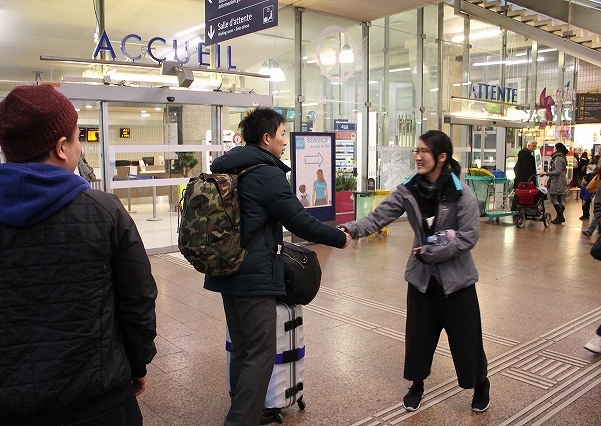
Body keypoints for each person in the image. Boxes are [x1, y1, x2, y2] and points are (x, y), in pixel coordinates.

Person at [0, 85, 157, 426]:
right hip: (98, 403)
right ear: (62, 147)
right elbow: (138, 300)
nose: (80, 146)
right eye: (78, 138)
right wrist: (137, 363)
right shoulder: (105, 211)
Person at [204, 107, 348, 426]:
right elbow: (299, 220)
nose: (285, 141)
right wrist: (338, 237)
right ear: (267, 138)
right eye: (282, 133)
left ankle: (244, 410)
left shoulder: (228, 168)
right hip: (253, 277)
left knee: (242, 347)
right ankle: (240, 420)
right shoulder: (266, 174)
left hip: (225, 268)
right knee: (261, 351)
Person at [339, 130, 489, 413]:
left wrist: (433, 252)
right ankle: (417, 386)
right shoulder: (409, 190)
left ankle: (480, 384)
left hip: (457, 283)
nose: (418, 156)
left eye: (425, 151)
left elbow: (469, 236)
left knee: (467, 341)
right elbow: (378, 216)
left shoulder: (461, 194)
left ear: (442, 157)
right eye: (416, 151)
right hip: (422, 281)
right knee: (419, 338)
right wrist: (349, 230)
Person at [540, 143, 569, 224]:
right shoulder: (563, 157)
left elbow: (557, 171)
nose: (553, 149)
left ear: (557, 149)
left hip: (557, 181)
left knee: (553, 198)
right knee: (560, 199)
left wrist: (546, 173)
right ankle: (559, 217)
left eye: (554, 148)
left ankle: (561, 216)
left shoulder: (557, 158)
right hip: (562, 180)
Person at [512, 140, 538, 210]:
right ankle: (516, 209)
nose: (534, 148)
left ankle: (515, 209)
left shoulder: (523, 155)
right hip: (524, 180)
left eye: (535, 146)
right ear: (528, 145)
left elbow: (516, 168)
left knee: (518, 194)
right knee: (521, 195)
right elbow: (527, 169)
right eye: (533, 146)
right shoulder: (527, 156)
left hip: (520, 179)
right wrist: (530, 179)